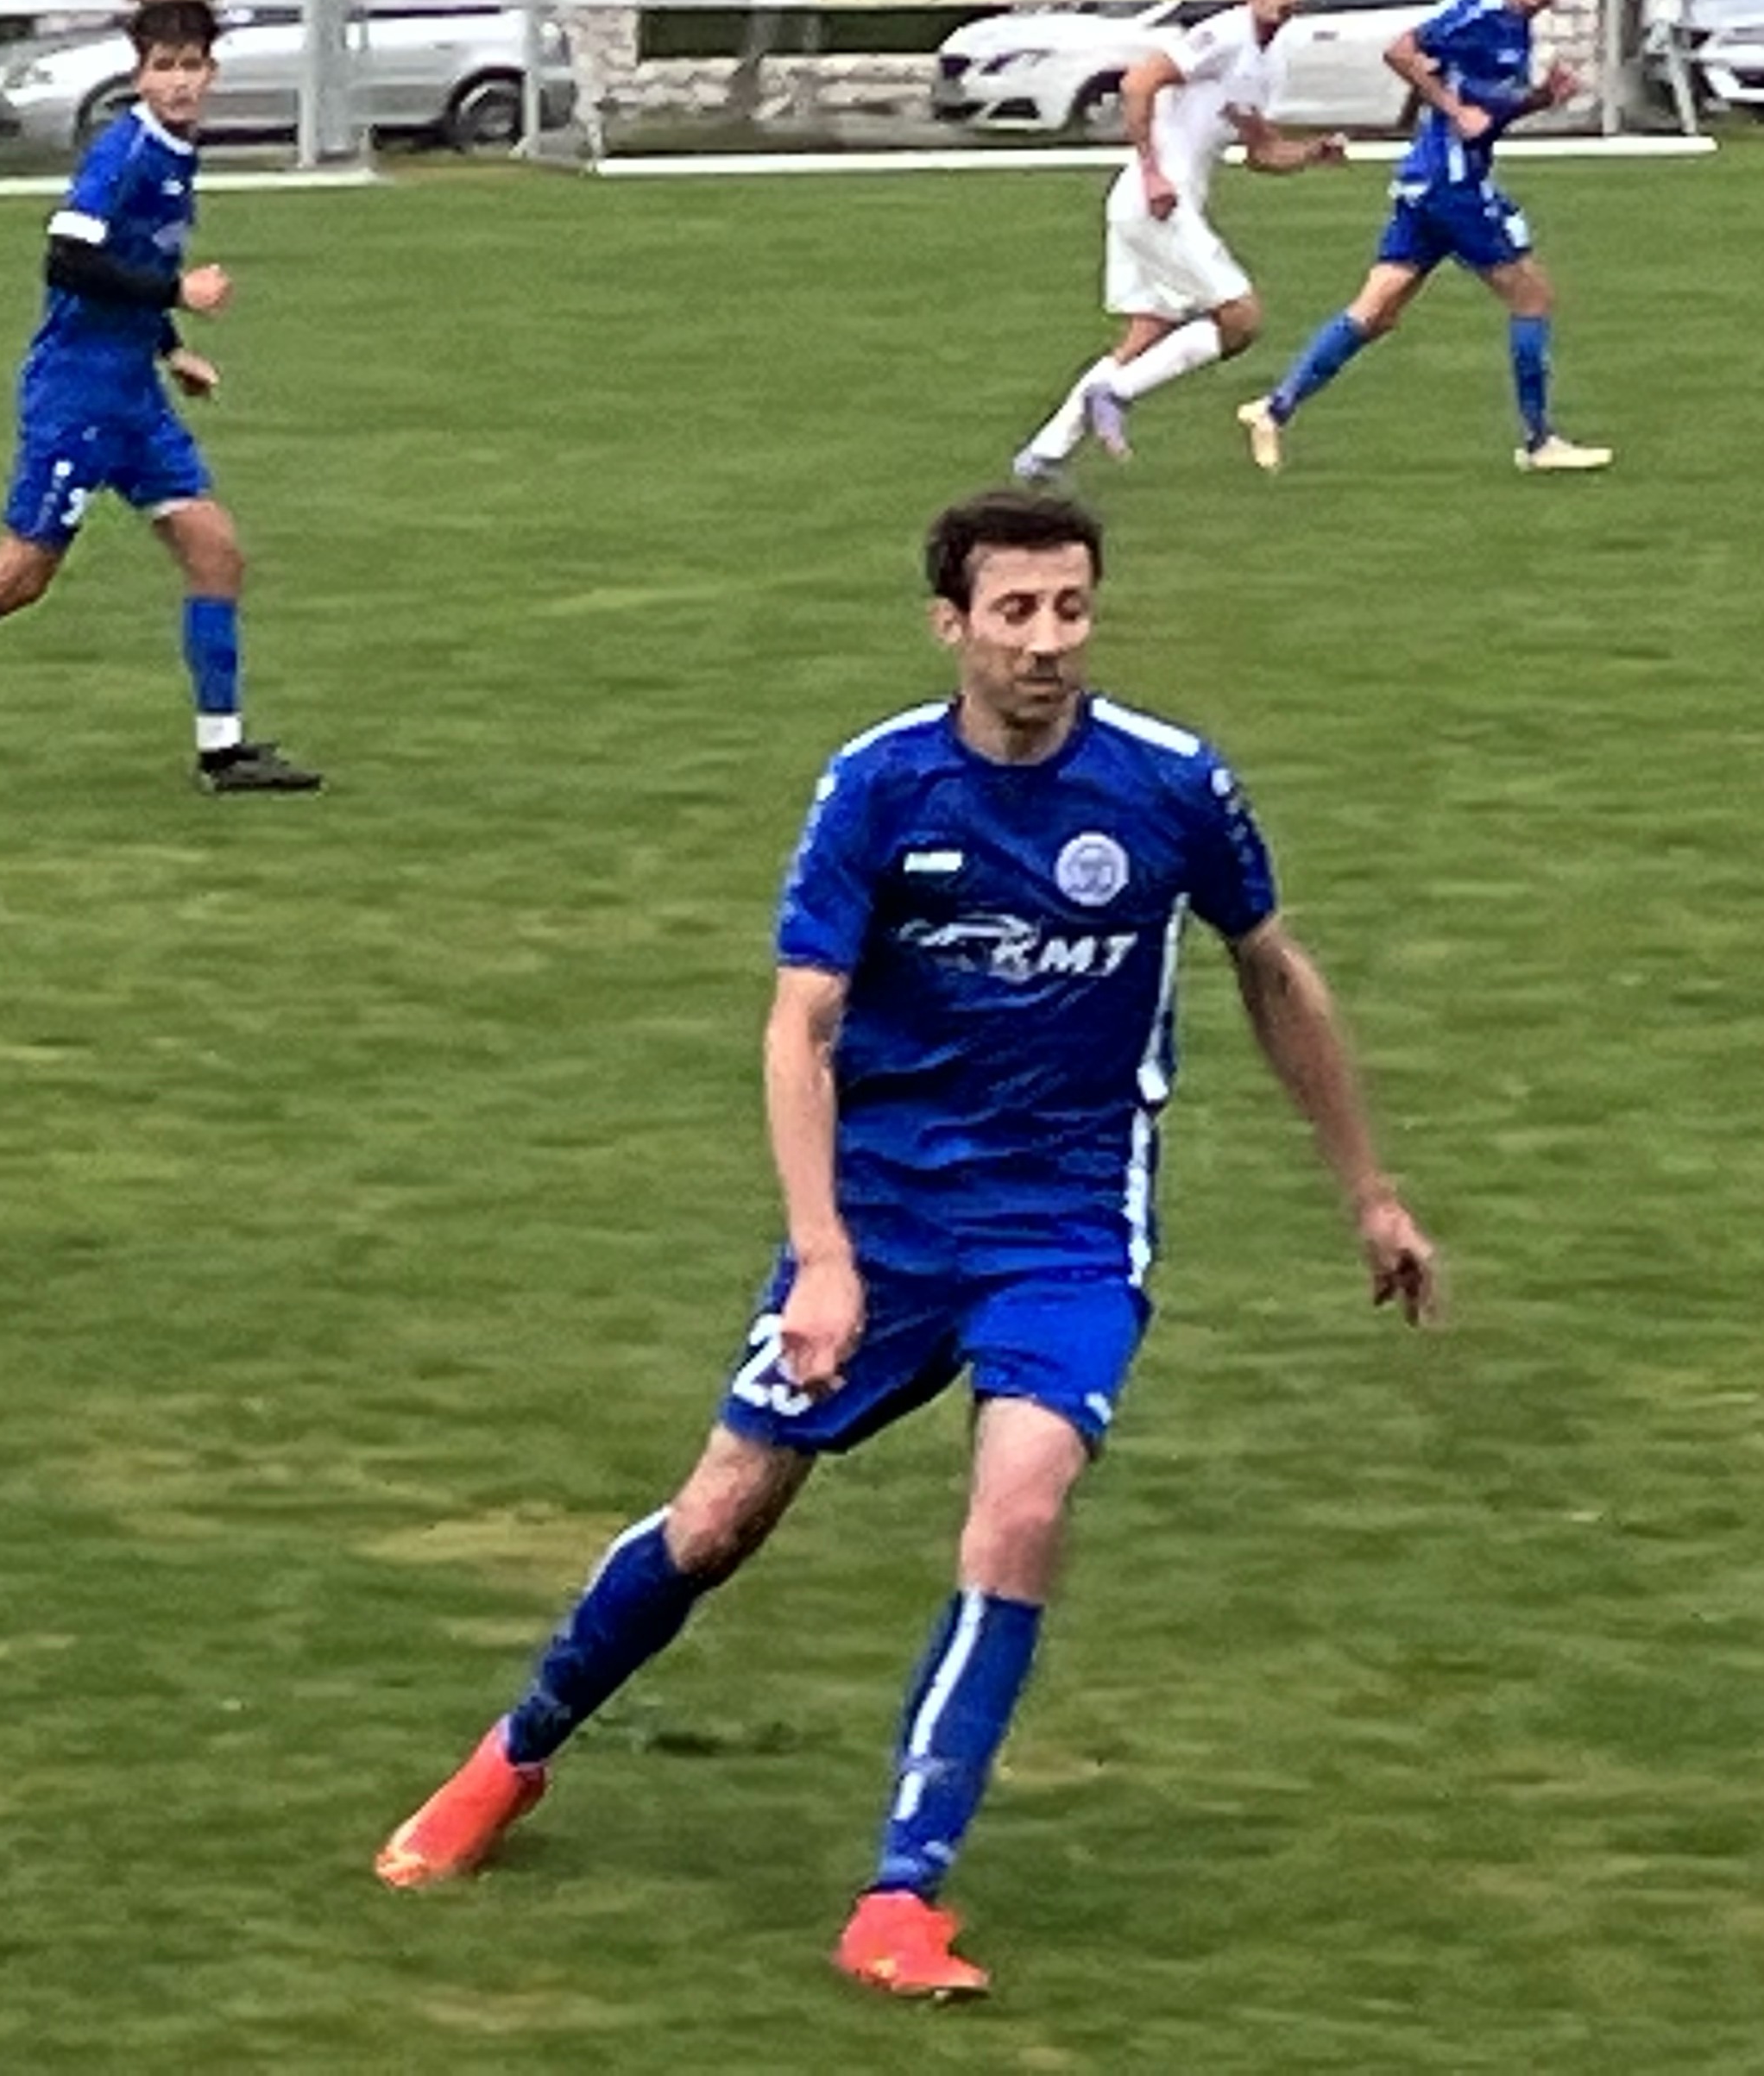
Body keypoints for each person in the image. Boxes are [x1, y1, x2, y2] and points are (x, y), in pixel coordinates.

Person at [372, 488, 1440, 2000]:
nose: (1046, 641)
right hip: (881, 1219)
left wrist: (1369, 1191)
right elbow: (798, 1024)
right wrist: (824, 1255)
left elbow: (1272, 970)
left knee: (1019, 1509)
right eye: (1014, 612)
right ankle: (511, 1756)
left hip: (1066, 1224)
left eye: (1070, 608)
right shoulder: (880, 787)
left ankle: (899, 1894)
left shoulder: (1170, 784)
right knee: (719, 1517)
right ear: (950, 623)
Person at [0, 0, 321, 799]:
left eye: (192, 66)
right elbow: (68, 260)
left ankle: (223, 754)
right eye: (164, 66)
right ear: (139, 74)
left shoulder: (178, 151)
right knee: (19, 575)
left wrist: (170, 349)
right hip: (77, 401)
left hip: (133, 398)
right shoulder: (126, 153)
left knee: (216, 552)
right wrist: (179, 294)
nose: (179, 81)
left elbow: (128, 263)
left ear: (212, 74)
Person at [1240, 0, 1612, 474]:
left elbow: (1482, 116)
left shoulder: (1516, 32)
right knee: (1532, 298)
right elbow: (1401, 51)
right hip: (1450, 185)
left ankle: (1273, 410)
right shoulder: (1481, 12)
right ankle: (1539, 443)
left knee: (1375, 313)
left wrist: (1538, 99)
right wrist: (1451, 107)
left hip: (1430, 184)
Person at [1012, 0, 1349, 481]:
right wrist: (1153, 171)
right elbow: (1138, 82)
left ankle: (1044, 454)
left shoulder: (1269, 62)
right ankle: (1114, 392)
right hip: (1155, 201)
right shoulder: (1225, 34)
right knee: (1240, 319)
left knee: (1148, 334)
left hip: (1162, 203)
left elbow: (1261, 151)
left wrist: (1312, 153)